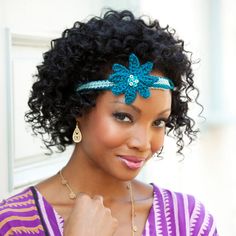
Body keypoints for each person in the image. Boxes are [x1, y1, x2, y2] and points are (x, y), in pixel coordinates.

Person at [0, 9, 218, 236]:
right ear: (79, 107)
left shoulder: (188, 220)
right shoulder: (14, 225)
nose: (143, 143)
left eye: (159, 122)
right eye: (123, 116)